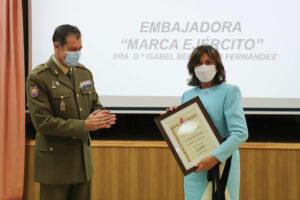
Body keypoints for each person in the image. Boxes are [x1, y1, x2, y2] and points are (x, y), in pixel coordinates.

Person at [26, 24, 116, 200]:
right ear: (57, 47)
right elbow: (43, 123)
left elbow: (95, 105)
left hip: (82, 164)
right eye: (72, 49)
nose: (77, 53)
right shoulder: (38, 78)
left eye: (80, 48)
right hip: (55, 166)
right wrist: (85, 125)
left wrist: (101, 118)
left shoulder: (84, 73)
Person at [166, 45, 248, 200]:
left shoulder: (230, 91)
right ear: (192, 68)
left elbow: (240, 133)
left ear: (217, 66)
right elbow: (187, 134)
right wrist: (174, 120)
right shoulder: (187, 95)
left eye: (208, 62)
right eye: (199, 63)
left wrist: (215, 157)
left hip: (222, 163)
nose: (204, 67)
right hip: (196, 166)